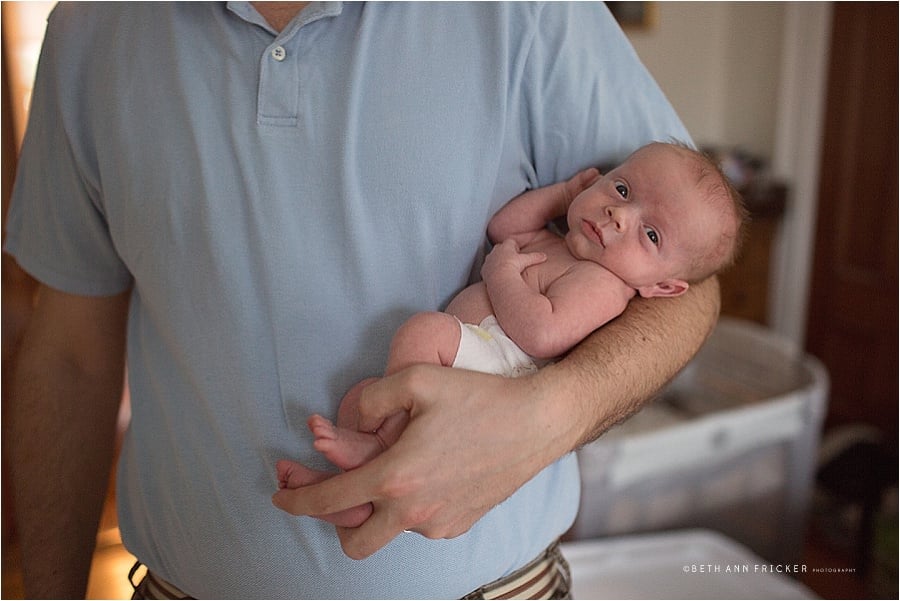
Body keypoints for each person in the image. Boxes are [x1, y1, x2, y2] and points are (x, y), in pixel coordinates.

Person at [4, 3, 721, 599]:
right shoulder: (92, 28)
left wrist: (544, 417)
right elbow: (67, 353)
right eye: (620, 196)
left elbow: (692, 288)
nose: (621, 212)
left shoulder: (531, 11)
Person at [276, 142, 745, 526]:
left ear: (662, 287)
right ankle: (354, 492)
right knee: (360, 399)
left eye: (652, 235)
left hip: (499, 370)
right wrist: (562, 196)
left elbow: (542, 333)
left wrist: (501, 274)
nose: (620, 215)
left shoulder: (605, 287)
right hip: (477, 352)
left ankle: (382, 448)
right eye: (621, 189)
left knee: (423, 333)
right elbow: (505, 227)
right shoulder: (562, 244)